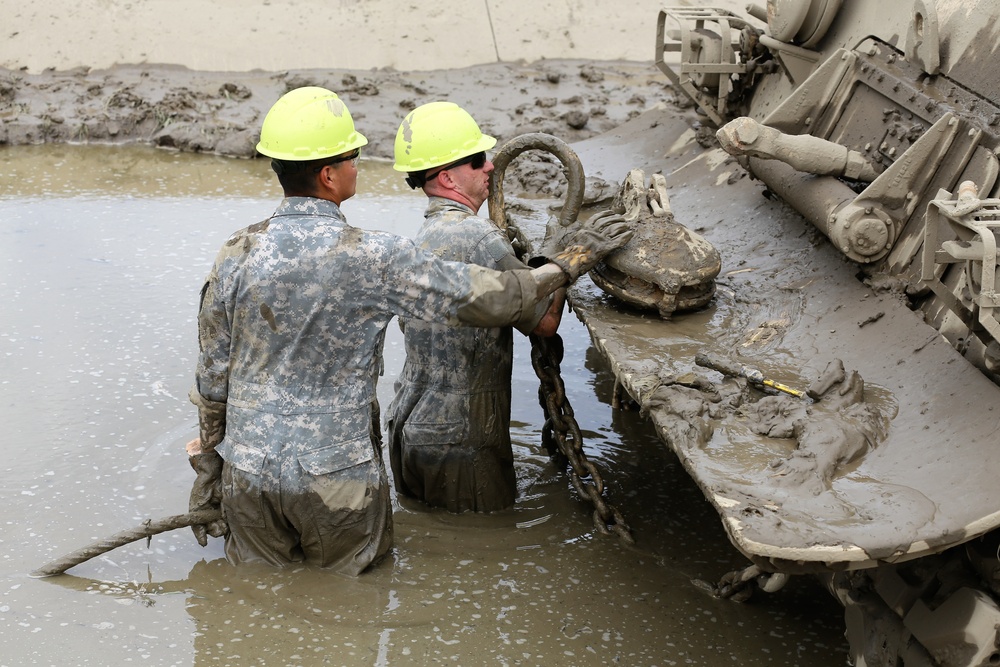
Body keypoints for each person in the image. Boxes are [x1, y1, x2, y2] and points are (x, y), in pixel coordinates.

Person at [185, 86, 631, 575]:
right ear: (330, 174)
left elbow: (212, 380)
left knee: (256, 607)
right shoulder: (374, 256)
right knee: (355, 607)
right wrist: (566, 265)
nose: (359, 165)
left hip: (247, 476)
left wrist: (209, 473)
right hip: (336, 478)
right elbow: (493, 296)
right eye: (353, 157)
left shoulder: (235, 251)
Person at [384, 102, 563, 513]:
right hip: (462, 442)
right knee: (480, 550)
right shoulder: (478, 238)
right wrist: (561, 259)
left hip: (409, 427)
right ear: (447, 176)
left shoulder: (423, 236)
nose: (490, 167)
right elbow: (546, 321)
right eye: (478, 159)